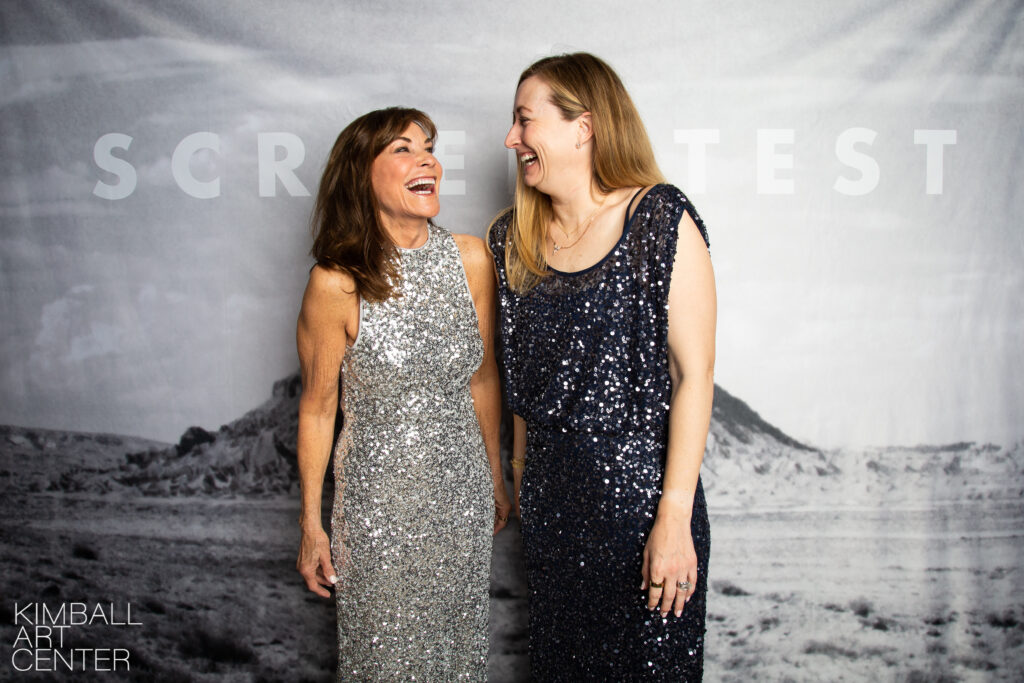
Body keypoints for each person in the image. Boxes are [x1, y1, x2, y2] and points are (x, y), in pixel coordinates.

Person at [488, 53, 716, 680]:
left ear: (583, 127)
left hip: (644, 513)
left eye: (524, 120)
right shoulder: (511, 241)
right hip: (553, 520)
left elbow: (694, 377)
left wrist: (673, 518)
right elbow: (521, 394)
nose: (511, 138)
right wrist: (522, 484)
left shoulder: (659, 219)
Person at [295, 107, 512, 681]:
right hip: (378, 517)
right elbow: (317, 409)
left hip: (462, 506)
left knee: (457, 665)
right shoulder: (336, 282)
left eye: (429, 148)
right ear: (361, 175)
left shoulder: (471, 260)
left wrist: (494, 476)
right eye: (403, 149)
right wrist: (311, 525)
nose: (427, 162)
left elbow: (482, 377)